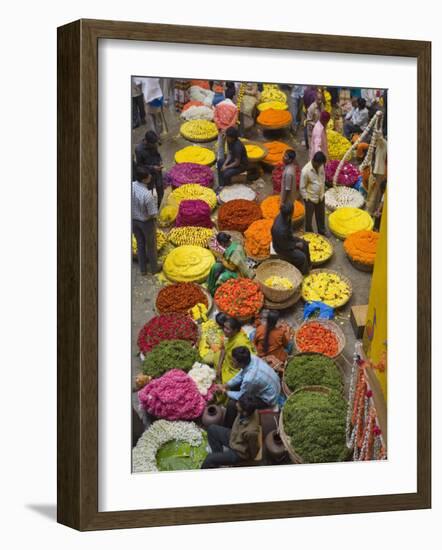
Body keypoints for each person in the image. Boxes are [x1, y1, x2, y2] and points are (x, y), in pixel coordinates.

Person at [217, 346, 281, 428]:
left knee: (232, 404)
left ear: (241, 363)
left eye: (234, 361)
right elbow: (240, 375)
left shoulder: (249, 379)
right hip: (272, 385)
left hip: (268, 398)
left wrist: (225, 392)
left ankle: (228, 426)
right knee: (234, 388)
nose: (232, 363)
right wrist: (226, 385)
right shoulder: (252, 358)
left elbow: (241, 396)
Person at [201, 393, 261, 468]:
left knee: (209, 459)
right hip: (234, 436)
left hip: (239, 452)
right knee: (211, 429)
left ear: (245, 413)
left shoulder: (251, 431)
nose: (237, 404)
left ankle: (215, 460)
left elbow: (254, 449)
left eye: (239, 404)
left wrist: (250, 460)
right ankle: (218, 459)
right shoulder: (249, 409)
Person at [131, 166, 160, 275]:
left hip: (133, 221)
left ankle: (143, 269)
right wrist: (155, 199)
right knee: (151, 246)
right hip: (146, 223)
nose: (150, 176)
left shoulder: (132, 186)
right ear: (144, 179)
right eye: (148, 176)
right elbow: (153, 213)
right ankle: (154, 268)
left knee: (140, 243)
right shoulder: (147, 195)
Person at [271, 202, 311, 274]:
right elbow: (284, 245)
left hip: (288, 239)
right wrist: (296, 245)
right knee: (302, 257)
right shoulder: (281, 230)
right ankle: (304, 273)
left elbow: (289, 235)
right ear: (290, 214)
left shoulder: (284, 216)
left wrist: (297, 241)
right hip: (281, 248)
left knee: (305, 244)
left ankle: (309, 265)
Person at [214, 316, 255, 385]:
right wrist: (219, 366)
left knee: (227, 383)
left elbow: (249, 363)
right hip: (229, 361)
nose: (224, 330)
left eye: (228, 329)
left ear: (235, 330)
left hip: (236, 368)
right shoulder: (229, 336)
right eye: (224, 327)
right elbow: (224, 349)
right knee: (216, 356)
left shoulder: (241, 343)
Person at [300, 151, 328, 236]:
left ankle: (322, 230)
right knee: (309, 217)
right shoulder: (305, 171)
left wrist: (322, 191)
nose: (320, 166)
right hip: (310, 198)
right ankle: (309, 233)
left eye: (321, 164)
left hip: (320, 196)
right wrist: (306, 198)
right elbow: (302, 187)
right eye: (319, 164)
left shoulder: (321, 166)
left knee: (321, 215)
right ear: (315, 161)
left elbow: (322, 177)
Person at [134, 130, 164, 209]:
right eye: (153, 144)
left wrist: (160, 161)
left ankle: (160, 207)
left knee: (160, 191)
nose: (155, 145)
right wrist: (152, 168)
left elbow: (157, 154)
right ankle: (151, 209)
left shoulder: (153, 144)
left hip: (157, 172)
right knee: (149, 193)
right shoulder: (139, 150)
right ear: (146, 141)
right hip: (149, 175)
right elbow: (139, 166)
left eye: (155, 144)